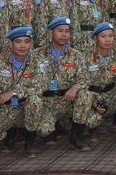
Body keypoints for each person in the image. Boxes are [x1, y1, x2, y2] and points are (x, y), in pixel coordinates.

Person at [75, 22, 116, 145]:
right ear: (95, 38)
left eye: (110, 36)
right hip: (92, 97)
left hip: (111, 95)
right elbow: (80, 81)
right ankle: (86, 132)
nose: (107, 40)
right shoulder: (85, 57)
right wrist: (93, 101)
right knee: (92, 120)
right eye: (103, 36)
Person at [0, 26, 44, 157]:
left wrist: (13, 93)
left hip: (24, 109)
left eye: (26, 41)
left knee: (35, 101)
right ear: (11, 44)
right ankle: (9, 135)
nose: (23, 45)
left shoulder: (36, 62)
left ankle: (30, 142)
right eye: (18, 42)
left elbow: (39, 87)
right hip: (4, 109)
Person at [34, 17, 86, 149]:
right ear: (51, 33)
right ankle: (47, 131)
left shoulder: (76, 56)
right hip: (45, 102)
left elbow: (84, 78)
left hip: (66, 100)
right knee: (44, 129)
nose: (64, 35)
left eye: (67, 31)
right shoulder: (36, 55)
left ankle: (75, 137)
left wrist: (74, 88)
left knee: (85, 95)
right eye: (60, 31)